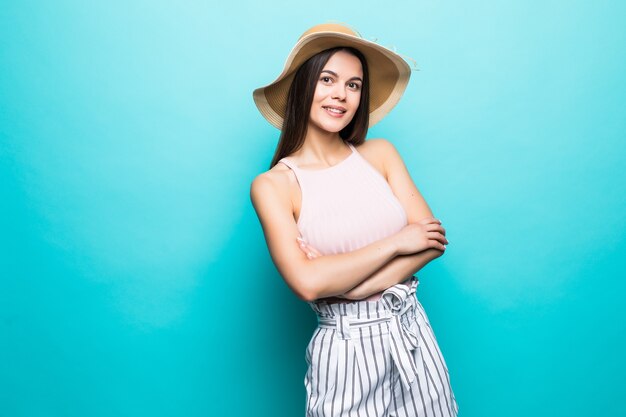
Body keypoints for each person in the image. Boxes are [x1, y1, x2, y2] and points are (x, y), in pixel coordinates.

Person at [250, 23, 459, 417]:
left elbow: (431, 239)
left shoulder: (380, 154)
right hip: (345, 350)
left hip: (411, 331)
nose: (340, 95)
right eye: (327, 79)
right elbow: (309, 283)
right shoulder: (275, 185)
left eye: (354, 85)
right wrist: (398, 242)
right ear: (303, 87)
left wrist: (351, 287)